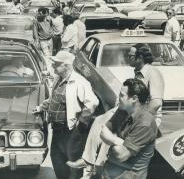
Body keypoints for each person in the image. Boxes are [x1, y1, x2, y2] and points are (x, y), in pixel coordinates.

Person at [67, 45, 164, 177]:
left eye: (130, 56)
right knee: (100, 122)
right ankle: (88, 160)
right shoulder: (138, 71)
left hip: (142, 114)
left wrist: (136, 118)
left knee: (111, 131)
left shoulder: (153, 73)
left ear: (140, 58)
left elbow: (156, 103)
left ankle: (95, 165)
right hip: (130, 111)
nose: (127, 58)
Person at [33, 51, 99, 179]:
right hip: (57, 131)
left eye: (56, 64)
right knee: (57, 160)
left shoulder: (79, 82)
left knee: (73, 165)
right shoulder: (59, 79)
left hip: (71, 132)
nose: (53, 66)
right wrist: (41, 107)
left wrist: (81, 123)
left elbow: (93, 103)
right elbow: (53, 99)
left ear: (66, 66)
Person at [101, 78, 158, 179]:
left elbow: (121, 155)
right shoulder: (123, 110)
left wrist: (113, 139)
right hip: (109, 172)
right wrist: (120, 142)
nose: (118, 98)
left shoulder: (145, 123)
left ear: (134, 99)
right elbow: (103, 132)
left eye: (122, 95)